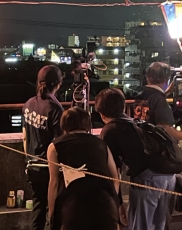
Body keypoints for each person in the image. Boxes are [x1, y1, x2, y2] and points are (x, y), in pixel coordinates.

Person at [133, 62, 182, 230]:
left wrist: (170, 89)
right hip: (159, 166)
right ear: (165, 78)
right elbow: (165, 129)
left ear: (147, 76)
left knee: (141, 222)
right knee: (158, 221)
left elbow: (154, 104)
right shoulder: (159, 101)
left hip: (142, 163)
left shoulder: (142, 96)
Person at [95, 88, 174, 230]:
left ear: (101, 114)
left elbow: (113, 171)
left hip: (148, 181)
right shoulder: (135, 122)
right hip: (168, 177)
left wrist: (118, 203)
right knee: (158, 226)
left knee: (140, 226)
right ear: (123, 106)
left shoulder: (110, 130)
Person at [47, 107, 120, 230]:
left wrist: (52, 212)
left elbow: (53, 183)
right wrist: (113, 201)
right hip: (104, 204)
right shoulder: (101, 144)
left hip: (74, 205)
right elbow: (115, 177)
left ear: (64, 124)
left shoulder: (55, 146)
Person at [22, 65, 64, 230]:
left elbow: (25, 136)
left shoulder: (28, 104)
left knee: (38, 208)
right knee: (54, 211)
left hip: (32, 165)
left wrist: (27, 161)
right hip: (49, 168)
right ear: (58, 84)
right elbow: (59, 142)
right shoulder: (55, 109)